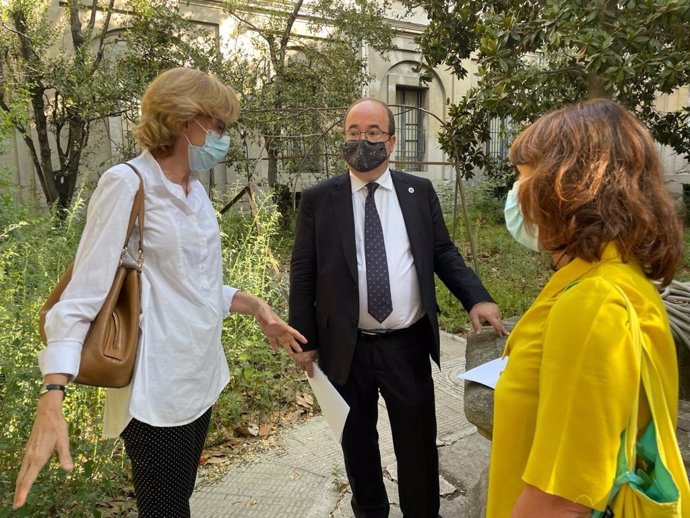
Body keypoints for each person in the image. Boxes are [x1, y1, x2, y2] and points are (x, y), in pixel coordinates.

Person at [13, 67, 305, 516]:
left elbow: (194, 285)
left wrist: (258, 307)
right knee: (165, 509)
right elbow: (84, 294)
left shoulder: (194, 192)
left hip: (200, 377)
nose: (223, 137)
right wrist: (53, 393)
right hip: (157, 389)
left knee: (177, 500)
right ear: (187, 122)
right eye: (219, 126)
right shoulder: (127, 184)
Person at [289, 98, 507, 518]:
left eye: (372, 133)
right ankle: (370, 511)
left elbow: (443, 251)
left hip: (406, 345)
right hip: (344, 345)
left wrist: (476, 297)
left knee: (417, 443)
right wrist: (304, 337)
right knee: (357, 442)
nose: (362, 141)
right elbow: (303, 271)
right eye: (353, 132)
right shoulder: (319, 199)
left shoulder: (418, 191)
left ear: (391, 141)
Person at [488, 98, 690, 517]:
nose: (516, 196)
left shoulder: (593, 303)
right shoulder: (614, 276)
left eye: (522, 180)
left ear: (562, 188)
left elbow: (562, 501)